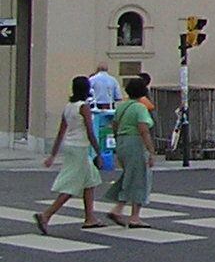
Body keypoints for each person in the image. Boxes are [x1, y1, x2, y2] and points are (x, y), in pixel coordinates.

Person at [35, 76, 105, 236]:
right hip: (80, 147)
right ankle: (46, 214)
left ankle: (90, 217)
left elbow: (61, 132)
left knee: (90, 180)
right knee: (72, 185)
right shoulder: (83, 107)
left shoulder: (68, 107)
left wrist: (53, 154)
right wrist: (98, 152)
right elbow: (89, 130)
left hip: (70, 146)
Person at [105, 74, 159, 227]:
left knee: (129, 176)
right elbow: (143, 130)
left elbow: (114, 125)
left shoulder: (122, 106)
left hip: (122, 141)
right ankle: (135, 216)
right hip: (136, 142)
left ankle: (118, 208)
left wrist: (117, 143)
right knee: (141, 178)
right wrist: (151, 150)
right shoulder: (140, 108)